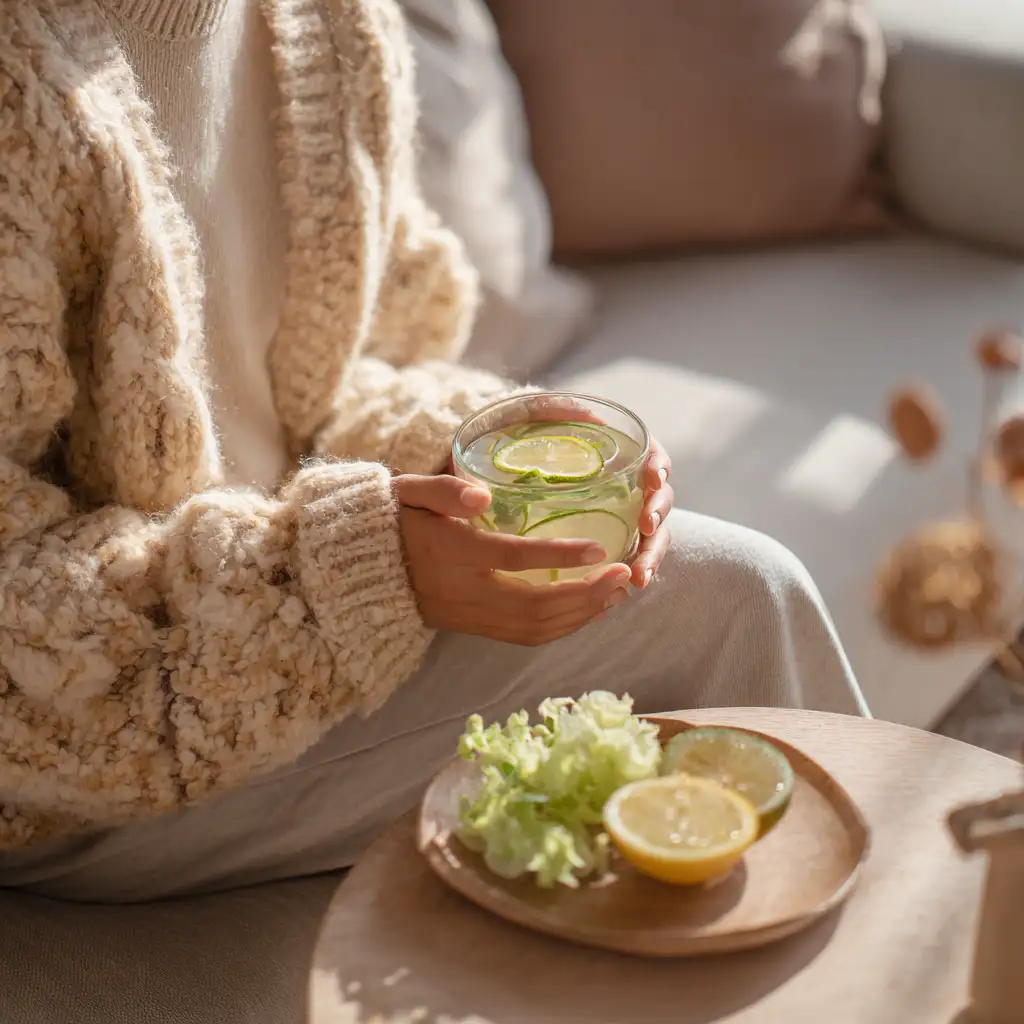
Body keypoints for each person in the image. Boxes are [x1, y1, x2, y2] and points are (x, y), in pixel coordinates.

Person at [0, 0, 867, 902]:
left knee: (712, 588)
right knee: (731, 603)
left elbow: (354, 366)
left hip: (283, 640)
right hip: (80, 770)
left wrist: (473, 455)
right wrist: (352, 574)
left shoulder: (330, 22)